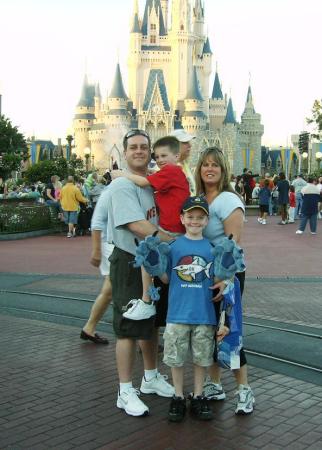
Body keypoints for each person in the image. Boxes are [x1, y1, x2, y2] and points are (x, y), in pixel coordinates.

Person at [106, 129, 174, 417]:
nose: (139, 151)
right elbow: (136, 225)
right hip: (131, 261)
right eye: (133, 147)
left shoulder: (149, 184)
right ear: (124, 152)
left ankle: (150, 377)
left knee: (150, 323)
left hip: (151, 261)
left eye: (144, 147)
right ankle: (124, 390)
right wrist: (171, 238)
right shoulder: (123, 187)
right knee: (127, 327)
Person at [195, 146, 255, 415]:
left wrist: (224, 280)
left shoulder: (228, 200)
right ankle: (215, 384)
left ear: (223, 170)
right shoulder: (199, 198)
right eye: (205, 164)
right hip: (207, 275)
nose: (209, 169)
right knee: (210, 331)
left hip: (226, 274)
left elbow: (233, 245)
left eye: (215, 165)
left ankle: (244, 391)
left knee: (228, 333)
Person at [158, 196, 229, 422]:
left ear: (207, 221)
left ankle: (198, 395)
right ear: (182, 219)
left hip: (204, 314)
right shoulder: (173, 246)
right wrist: (154, 266)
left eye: (200, 217)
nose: (195, 221)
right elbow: (167, 278)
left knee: (202, 358)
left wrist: (226, 275)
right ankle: (178, 396)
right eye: (190, 217)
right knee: (175, 358)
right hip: (177, 314)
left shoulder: (212, 248)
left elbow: (216, 278)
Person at [111, 136, 189, 321]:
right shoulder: (172, 171)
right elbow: (153, 176)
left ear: (176, 156)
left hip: (171, 230)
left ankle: (146, 301)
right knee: (159, 261)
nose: (160, 160)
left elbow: (146, 182)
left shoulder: (170, 170)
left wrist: (122, 174)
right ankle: (163, 276)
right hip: (173, 227)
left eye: (164, 156)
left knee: (146, 254)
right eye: (157, 156)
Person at [80, 184, 112, 344]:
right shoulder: (111, 189)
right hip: (110, 244)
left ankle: (89, 328)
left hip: (118, 244)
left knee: (109, 290)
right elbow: (97, 221)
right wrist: (97, 250)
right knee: (123, 288)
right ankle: (142, 339)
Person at [169, 129, 196, 195]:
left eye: (189, 142)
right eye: (185, 142)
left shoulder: (184, 164)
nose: (190, 145)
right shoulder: (165, 168)